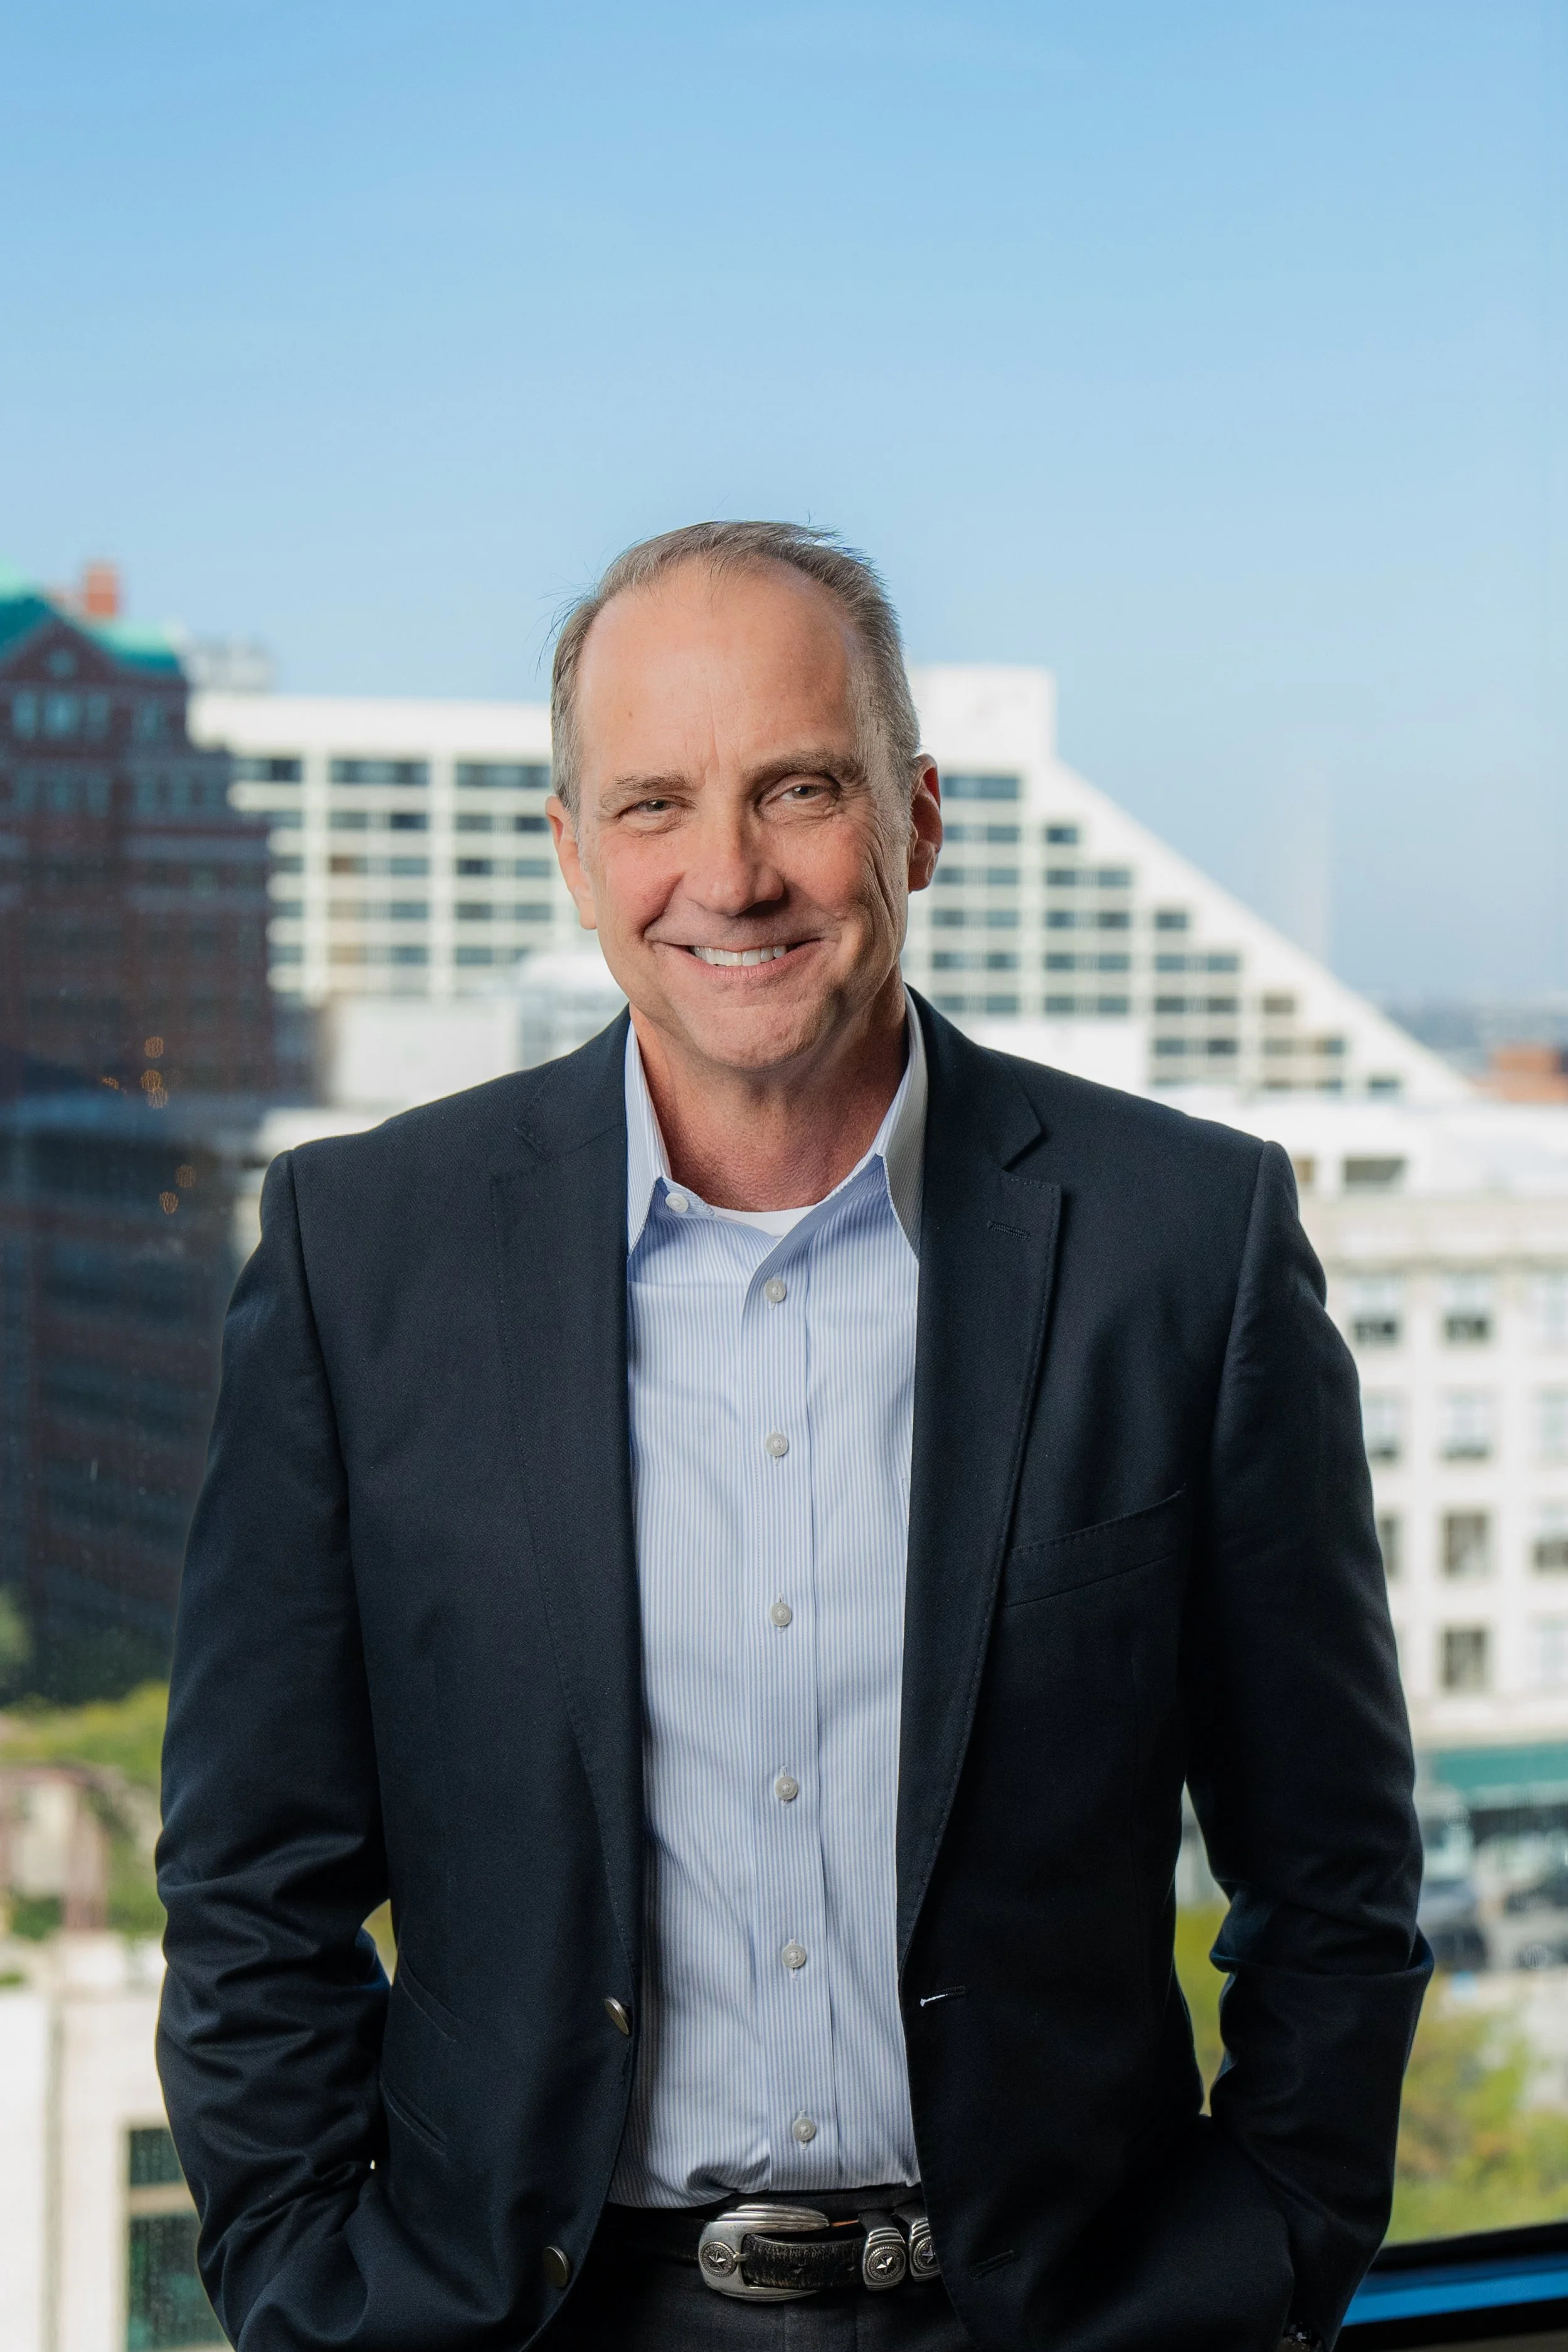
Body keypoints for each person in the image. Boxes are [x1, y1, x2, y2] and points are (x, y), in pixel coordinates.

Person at [157, 521, 1429, 2352]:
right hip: (535, 2322)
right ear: (574, 854)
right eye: (654, 802)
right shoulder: (363, 1253)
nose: (729, 875)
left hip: (1065, 2320)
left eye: (799, 788)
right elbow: (248, 1880)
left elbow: (1334, 1867)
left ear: (913, 821)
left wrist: (1256, 2257)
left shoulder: (1185, 1242)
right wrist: (314, 2283)